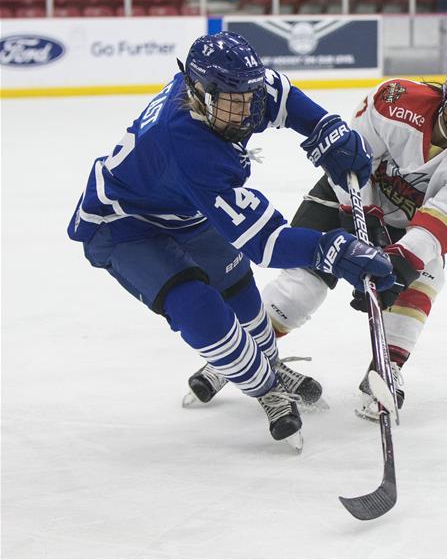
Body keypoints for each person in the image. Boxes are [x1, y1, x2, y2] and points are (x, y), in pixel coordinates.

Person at [66, 31, 395, 448]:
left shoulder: (232, 89)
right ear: (199, 94)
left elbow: (283, 97)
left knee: (238, 288)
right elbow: (265, 243)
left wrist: (326, 129)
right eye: (232, 102)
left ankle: (268, 363)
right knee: (198, 307)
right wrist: (330, 249)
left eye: (249, 98)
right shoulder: (188, 146)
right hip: (122, 224)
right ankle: (266, 386)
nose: (245, 112)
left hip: (180, 205)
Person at [201, 49, 447, 422]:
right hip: (343, 197)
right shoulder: (395, 100)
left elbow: (437, 226)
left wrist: (399, 265)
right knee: (304, 287)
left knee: (427, 276)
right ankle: (237, 356)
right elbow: (350, 162)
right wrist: (360, 215)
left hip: (406, 227)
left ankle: (386, 367)